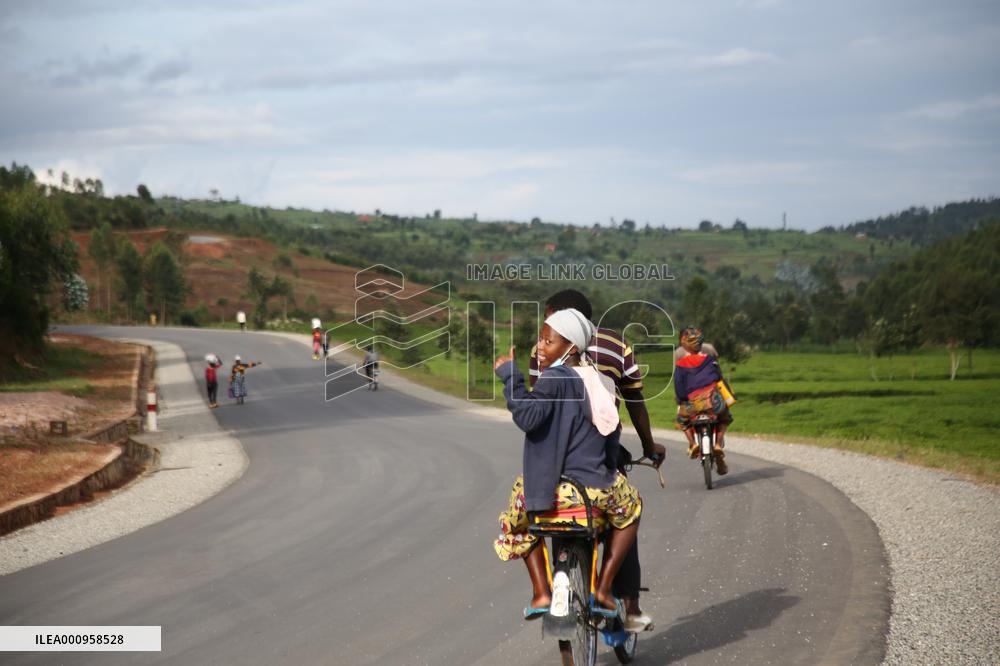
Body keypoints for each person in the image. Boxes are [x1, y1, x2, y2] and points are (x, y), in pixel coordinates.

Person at [494, 308, 642, 621]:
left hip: (548, 492)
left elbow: (527, 416)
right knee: (631, 509)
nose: (540, 348)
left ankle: (541, 591)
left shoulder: (555, 378)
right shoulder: (603, 382)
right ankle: (603, 587)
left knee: (516, 519)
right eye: (541, 340)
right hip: (592, 493)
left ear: (570, 348)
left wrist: (510, 375)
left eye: (548, 341)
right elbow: (610, 436)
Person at [528, 289, 663, 631]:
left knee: (555, 512)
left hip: (556, 458)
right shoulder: (617, 345)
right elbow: (634, 400)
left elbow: (536, 409)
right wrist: (650, 446)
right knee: (624, 514)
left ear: (561, 318)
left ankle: (554, 581)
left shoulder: (543, 349)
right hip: (601, 454)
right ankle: (628, 605)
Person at [674, 326, 733, 475]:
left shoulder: (680, 361)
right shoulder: (710, 357)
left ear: (684, 343)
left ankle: (693, 444)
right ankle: (718, 445)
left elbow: (679, 387)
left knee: (681, 420)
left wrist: (682, 401)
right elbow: (719, 378)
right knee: (725, 417)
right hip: (713, 402)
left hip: (692, 404)